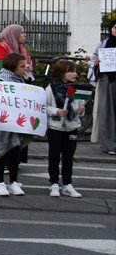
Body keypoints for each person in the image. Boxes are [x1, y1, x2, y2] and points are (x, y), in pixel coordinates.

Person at [0, 53, 34, 197]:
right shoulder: (3, 79)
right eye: (22, 66)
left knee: (15, 149)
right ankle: (0, 182)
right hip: (5, 122)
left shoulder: (21, 79)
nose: (24, 68)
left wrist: (27, 79)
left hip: (17, 121)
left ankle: (14, 181)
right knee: (2, 148)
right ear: (13, 67)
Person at [45, 59, 87, 198]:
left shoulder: (76, 89)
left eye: (75, 71)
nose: (75, 74)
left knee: (68, 157)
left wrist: (81, 111)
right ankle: (54, 183)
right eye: (71, 71)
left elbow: (80, 106)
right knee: (54, 156)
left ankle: (67, 184)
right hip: (55, 127)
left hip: (71, 127)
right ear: (62, 72)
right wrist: (57, 111)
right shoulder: (51, 88)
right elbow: (45, 107)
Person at [90, 22, 116, 155]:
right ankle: (109, 145)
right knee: (106, 112)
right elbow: (94, 58)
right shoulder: (104, 44)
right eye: (115, 27)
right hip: (107, 81)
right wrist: (96, 62)